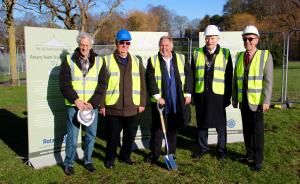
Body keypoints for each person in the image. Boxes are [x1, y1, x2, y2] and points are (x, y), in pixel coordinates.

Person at [59, 32, 107, 175]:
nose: (84, 47)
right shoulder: (68, 60)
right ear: (78, 45)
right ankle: (68, 163)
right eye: (82, 45)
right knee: (73, 137)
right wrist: (76, 100)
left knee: (91, 135)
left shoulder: (100, 61)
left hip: (91, 107)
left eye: (87, 45)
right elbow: (64, 85)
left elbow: (102, 85)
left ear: (91, 46)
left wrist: (92, 103)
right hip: (74, 106)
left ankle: (88, 161)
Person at [100, 29, 146, 169]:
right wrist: (102, 105)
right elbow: (101, 85)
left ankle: (125, 156)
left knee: (129, 136)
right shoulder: (106, 60)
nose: (124, 45)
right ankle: (110, 159)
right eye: (122, 43)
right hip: (114, 107)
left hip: (132, 106)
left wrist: (142, 102)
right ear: (116, 43)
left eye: (127, 43)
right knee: (112, 137)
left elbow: (143, 84)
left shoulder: (137, 61)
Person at [145, 36, 193, 164]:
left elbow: (189, 77)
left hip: (176, 101)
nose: (164, 48)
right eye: (162, 45)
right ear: (159, 46)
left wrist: (188, 94)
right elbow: (150, 80)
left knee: (172, 129)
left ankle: (171, 153)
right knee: (158, 130)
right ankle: (154, 154)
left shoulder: (181, 59)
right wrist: (157, 97)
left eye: (167, 45)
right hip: (161, 102)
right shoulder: (153, 60)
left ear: (171, 46)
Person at [232, 25, 273, 171]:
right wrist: (235, 97)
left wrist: (266, 100)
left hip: (257, 102)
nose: (247, 41)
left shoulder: (265, 56)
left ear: (257, 40)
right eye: (245, 39)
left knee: (257, 132)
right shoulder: (239, 56)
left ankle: (258, 159)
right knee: (247, 130)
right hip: (243, 101)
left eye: (250, 38)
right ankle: (249, 154)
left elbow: (268, 81)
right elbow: (235, 79)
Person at [191, 25, 233, 160]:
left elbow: (228, 77)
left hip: (218, 95)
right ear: (205, 39)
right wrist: (191, 94)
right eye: (208, 38)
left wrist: (227, 97)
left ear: (218, 39)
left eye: (213, 38)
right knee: (202, 122)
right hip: (201, 94)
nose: (210, 41)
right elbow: (192, 75)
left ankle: (221, 149)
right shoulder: (197, 52)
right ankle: (203, 147)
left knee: (220, 125)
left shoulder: (226, 53)